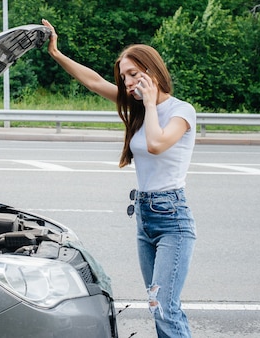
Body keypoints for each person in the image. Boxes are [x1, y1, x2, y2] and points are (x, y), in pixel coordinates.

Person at [41, 19, 197, 338]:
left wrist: (151, 102)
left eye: (133, 74)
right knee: (158, 304)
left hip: (172, 220)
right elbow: (95, 82)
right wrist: (57, 53)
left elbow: (155, 144)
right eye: (124, 76)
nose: (126, 82)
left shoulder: (182, 112)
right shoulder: (140, 111)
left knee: (164, 306)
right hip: (145, 216)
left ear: (152, 72)